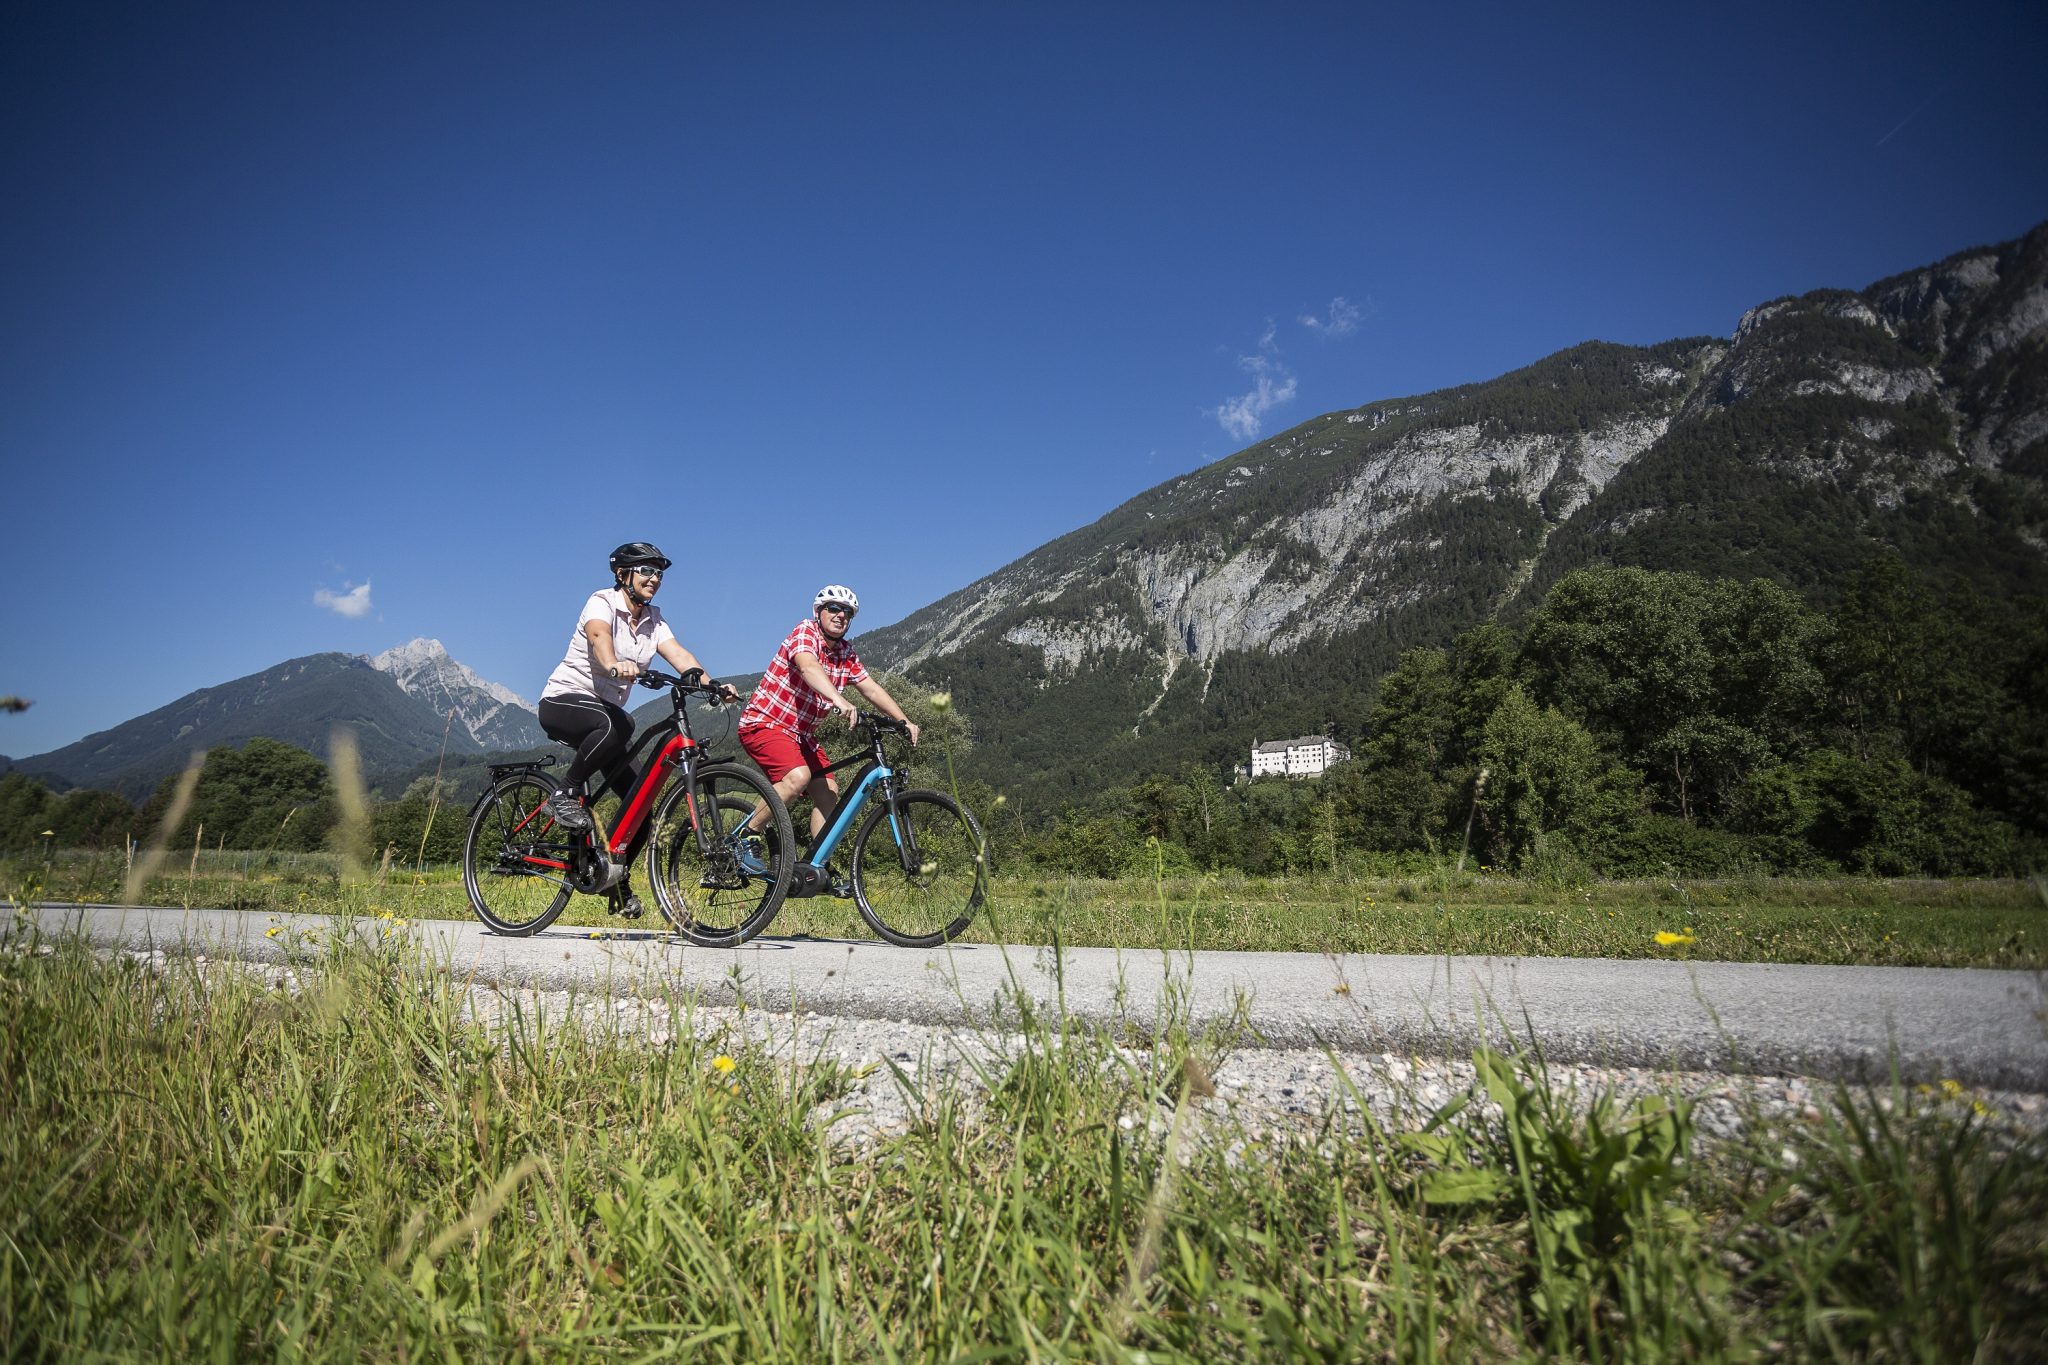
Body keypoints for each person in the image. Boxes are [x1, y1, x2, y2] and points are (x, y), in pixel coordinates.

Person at [538, 541, 735, 916]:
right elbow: (599, 637)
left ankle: (615, 885)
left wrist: (710, 684)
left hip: (604, 721)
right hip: (564, 701)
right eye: (646, 570)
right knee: (620, 722)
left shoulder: (654, 620)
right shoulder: (602, 602)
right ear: (622, 575)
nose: (655, 578)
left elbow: (680, 655)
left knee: (639, 806)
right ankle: (563, 793)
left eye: (659, 573)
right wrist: (613, 664)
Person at [731, 584, 919, 870]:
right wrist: (839, 700)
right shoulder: (805, 631)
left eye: (847, 612)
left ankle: (816, 866)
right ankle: (747, 836)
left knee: (829, 791)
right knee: (797, 777)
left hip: (801, 735)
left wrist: (903, 719)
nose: (840, 615)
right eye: (833, 608)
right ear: (818, 612)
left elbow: (870, 688)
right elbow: (808, 667)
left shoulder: (845, 652)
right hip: (765, 723)